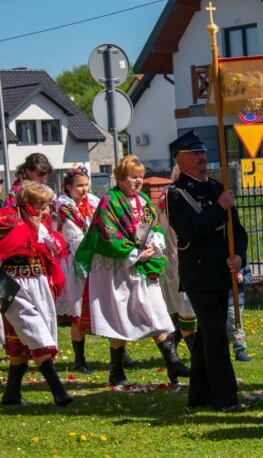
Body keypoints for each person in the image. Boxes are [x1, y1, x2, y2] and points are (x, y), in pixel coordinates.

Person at [75, 155, 190, 388]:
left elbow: (153, 227)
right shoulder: (109, 201)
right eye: (132, 177)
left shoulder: (143, 201)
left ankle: (172, 362)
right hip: (117, 269)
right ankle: (117, 372)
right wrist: (135, 253)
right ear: (120, 178)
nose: (138, 181)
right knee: (120, 319)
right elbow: (107, 234)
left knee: (155, 311)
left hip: (142, 268)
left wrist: (152, 245)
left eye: (140, 177)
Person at [166, 130, 248, 412]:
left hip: (221, 271)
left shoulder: (216, 186)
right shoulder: (176, 194)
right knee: (215, 334)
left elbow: (237, 230)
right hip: (199, 273)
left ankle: (198, 395)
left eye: (203, 152)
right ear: (181, 159)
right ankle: (225, 399)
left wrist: (239, 256)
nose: (202, 158)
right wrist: (218, 209)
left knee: (207, 335)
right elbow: (188, 231)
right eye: (195, 154)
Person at [1, 181, 72, 406]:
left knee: (24, 340)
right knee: (34, 331)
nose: (44, 210)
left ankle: (11, 394)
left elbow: (56, 248)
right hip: (10, 284)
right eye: (40, 205)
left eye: (46, 205)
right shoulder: (7, 219)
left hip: (38, 282)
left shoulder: (44, 225)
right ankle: (58, 391)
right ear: (26, 203)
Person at [54, 165, 100, 374]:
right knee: (77, 313)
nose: (84, 189)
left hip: (95, 259)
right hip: (75, 262)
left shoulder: (92, 203)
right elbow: (76, 239)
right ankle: (79, 359)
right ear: (68, 188)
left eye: (86, 185)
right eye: (79, 186)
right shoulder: (65, 208)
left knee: (106, 306)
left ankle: (120, 353)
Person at [158, 165, 197, 354]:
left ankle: (174, 349)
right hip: (174, 254)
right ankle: (176, 348)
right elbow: (167, 228)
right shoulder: (169, 196)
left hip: (182, 254)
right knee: (182, 306)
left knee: (185, 307)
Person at [227, 265, 252, 361]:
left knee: (236, 326)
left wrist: (242, 279)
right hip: (222, 299)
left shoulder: (243, 261)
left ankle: (240, 350)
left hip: (235, 300)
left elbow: (249, 278)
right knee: (226, 328)